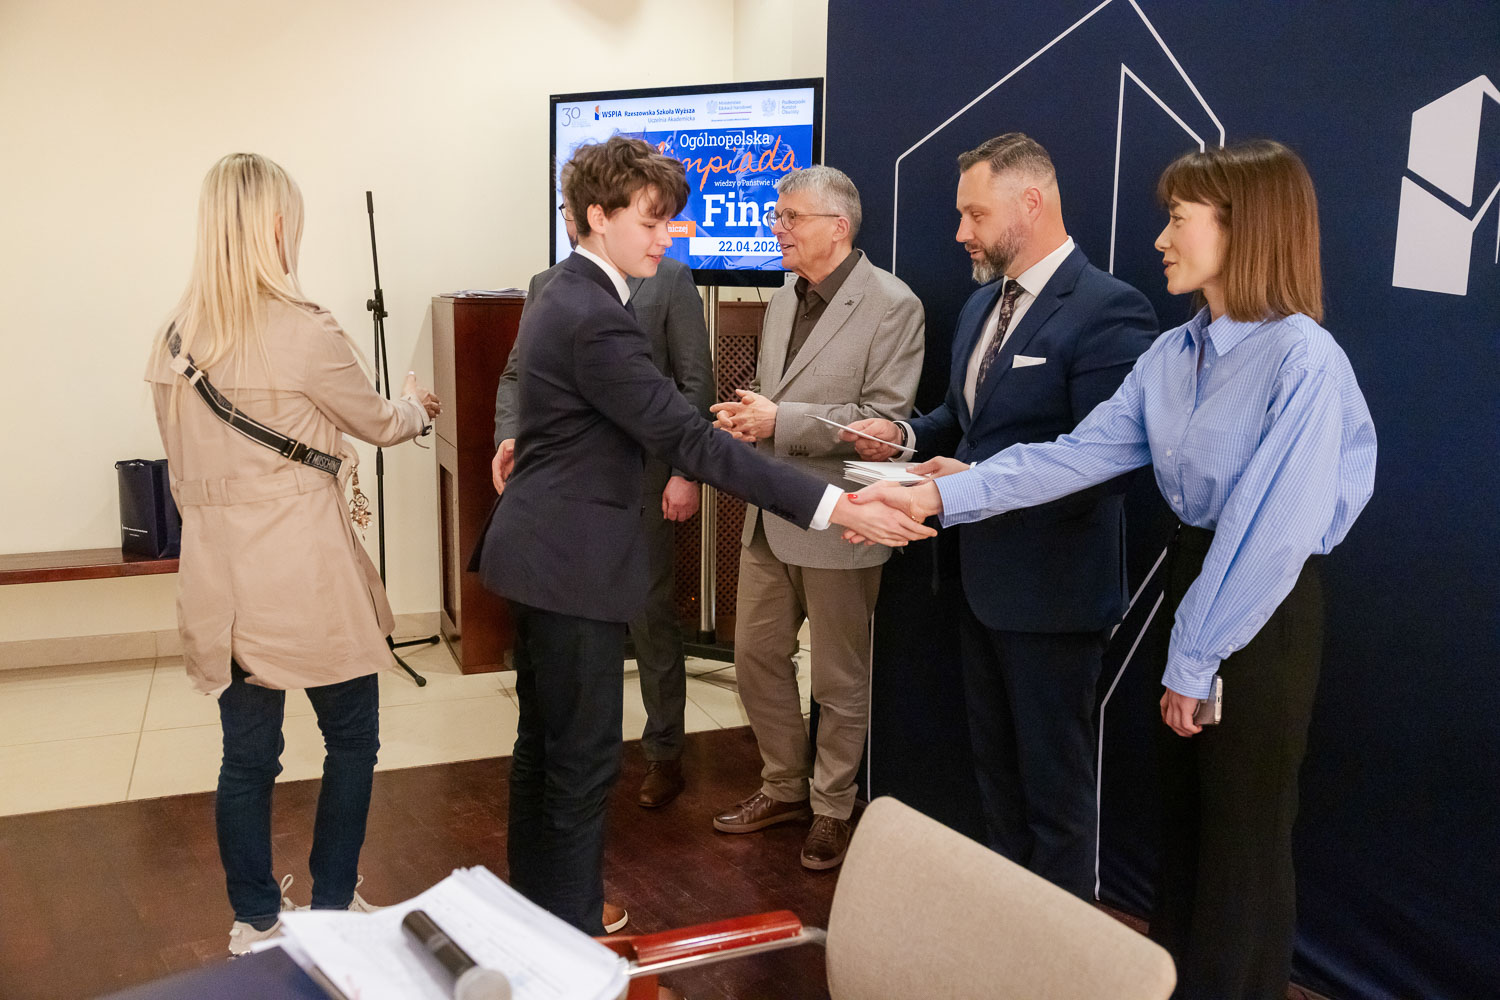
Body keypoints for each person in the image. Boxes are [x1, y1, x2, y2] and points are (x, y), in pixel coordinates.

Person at [848, 140, 1377, 1000]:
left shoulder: (1303, 360)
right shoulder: (1173, 354)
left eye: (1178, 220)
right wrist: (939, 496)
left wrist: (1194, 658)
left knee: (1241, 847)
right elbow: (1071, 455)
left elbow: (1270, 535)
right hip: (1195, 587)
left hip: (1261, 613)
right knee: (1186, 833)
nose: (1160, 239)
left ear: (1244, 228)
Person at [475, 136, 933, 936]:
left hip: (542, 556)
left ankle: (538, 909)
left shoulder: (566, 293)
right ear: (598, 216)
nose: (667, 238)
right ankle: (569, 929)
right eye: (652, 221)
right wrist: (838, 507)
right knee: (578, 763)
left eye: (670, 222)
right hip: (570, 566)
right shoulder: (593, 313)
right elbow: (692, 441)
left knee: (543, 748)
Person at [842, 133, 1157, 897]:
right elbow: (967, 418)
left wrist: (972, 482)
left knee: (1055, 792)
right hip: (974, 582)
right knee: (996, 778)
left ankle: (1059, 945)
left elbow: (1105, 464)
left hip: (1053, 595)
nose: (960, 232)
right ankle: (1007, 929)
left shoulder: (1111, 310)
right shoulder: (985, 302)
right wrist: (905, 438)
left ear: (1031, 203)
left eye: (975, 214)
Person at [144, 153, 441, 956]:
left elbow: (181, 470)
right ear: (277, 225)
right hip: (305, 574)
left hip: (220, 580)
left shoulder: (172, 342)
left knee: (246, 759)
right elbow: (378, 424)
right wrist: (416, 406)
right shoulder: (304, 330)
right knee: (352, 740)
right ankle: (334, 906)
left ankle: (254, 922)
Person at [708, 166, 925, 870]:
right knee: (754, 660)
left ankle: (832, 807)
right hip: (770, 515)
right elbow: (776, 397)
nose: (778, 228)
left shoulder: (893, 304)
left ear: (839, 226)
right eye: (778, 216)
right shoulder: (782, 298)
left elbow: (885, 421)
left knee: (838, 679)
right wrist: (750, 416)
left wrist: (782, 420)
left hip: (844, 522)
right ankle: (783, 787)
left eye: (790, 217)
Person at [496, 200, 712, 811]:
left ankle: (664, 752)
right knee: (570, 638)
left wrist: (685, 473)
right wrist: (510, 437)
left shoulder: (669, 279)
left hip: (646, 482)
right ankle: (579, 762)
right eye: (563, 208)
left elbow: (694, 382)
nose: (569, 218)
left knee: (650, 619)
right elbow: (516, 377)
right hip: (567, 497)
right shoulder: (547, 286)